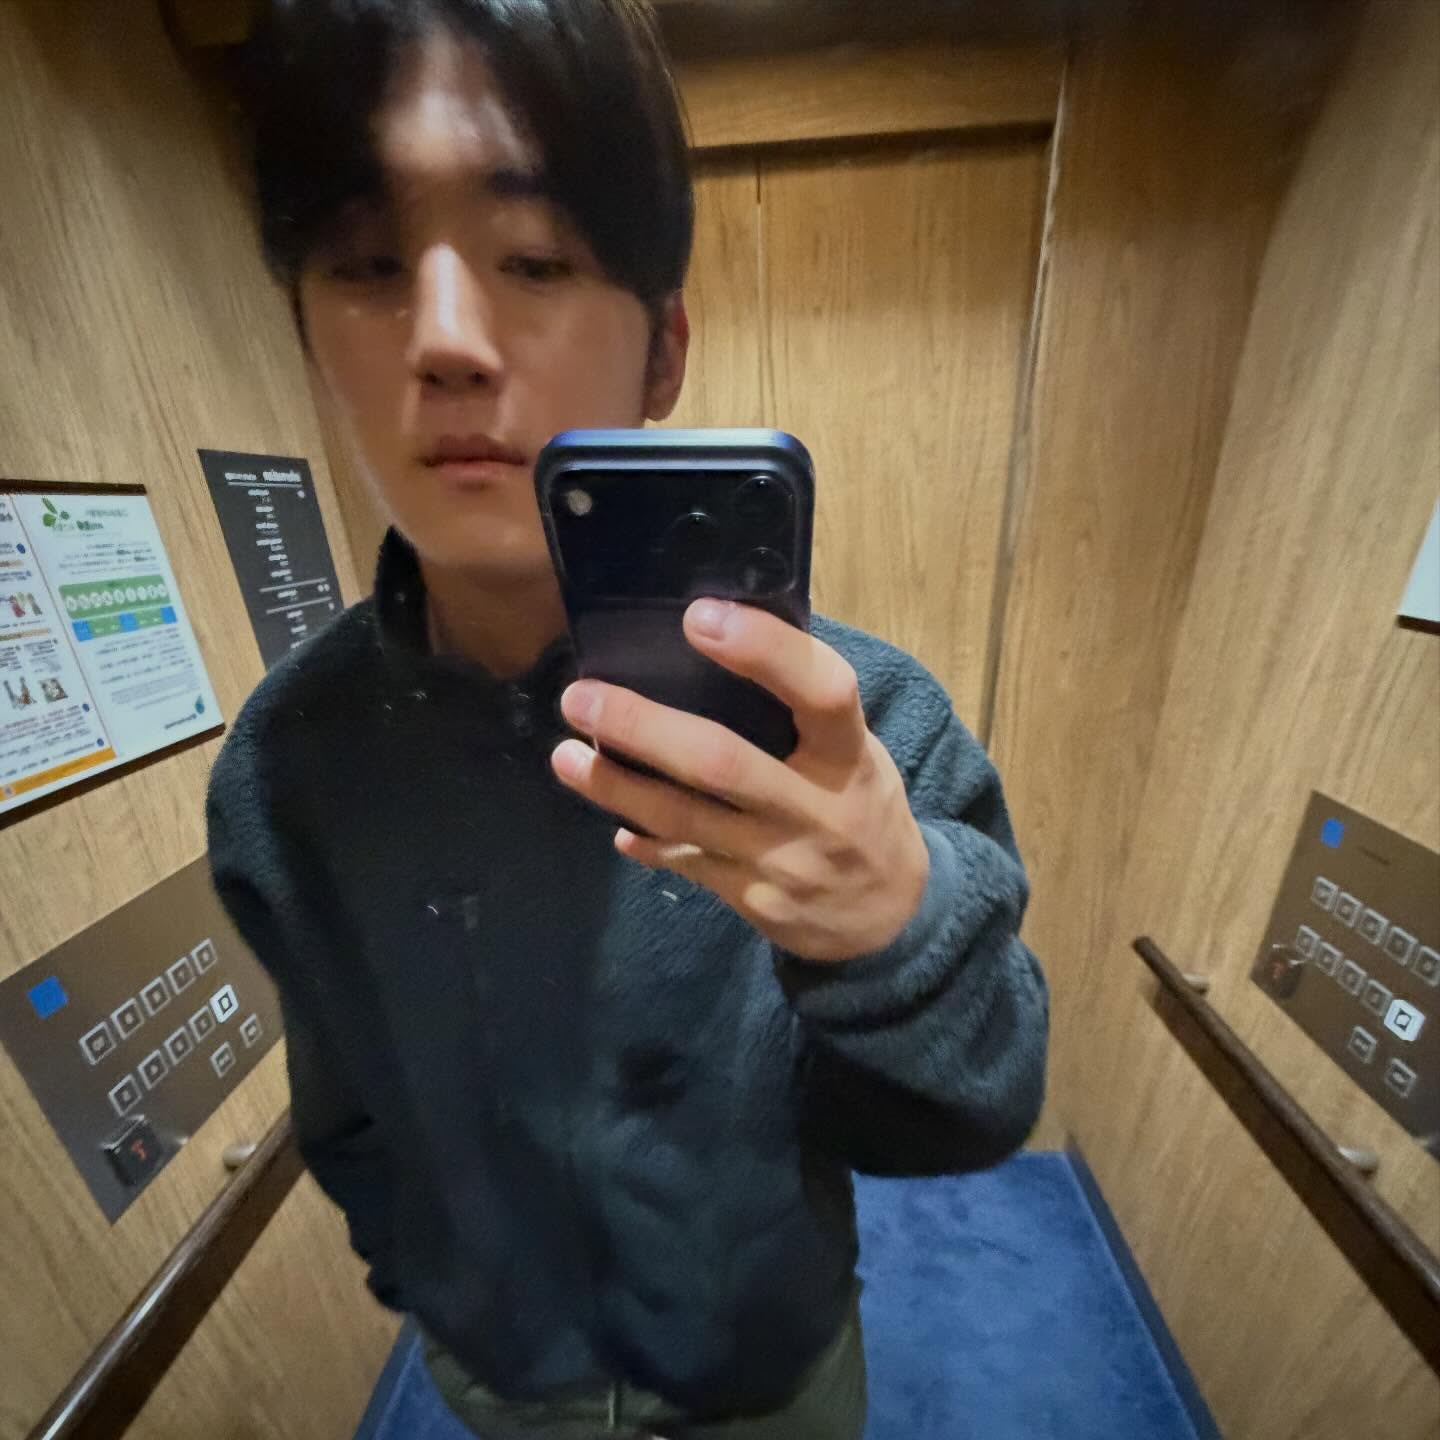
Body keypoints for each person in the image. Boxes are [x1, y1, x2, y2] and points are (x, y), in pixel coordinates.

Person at [206, 3, 1049, 1437]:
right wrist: (437, 1289)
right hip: (505, 1384)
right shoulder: (285, 768)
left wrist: (893, 935)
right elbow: (345, 1108)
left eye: (534, 258)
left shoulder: (858, 728)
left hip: (769, 1374)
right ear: (305, 331)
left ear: (663, 352)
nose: (447, 340)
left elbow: (977, 1114)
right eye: (367, 264)